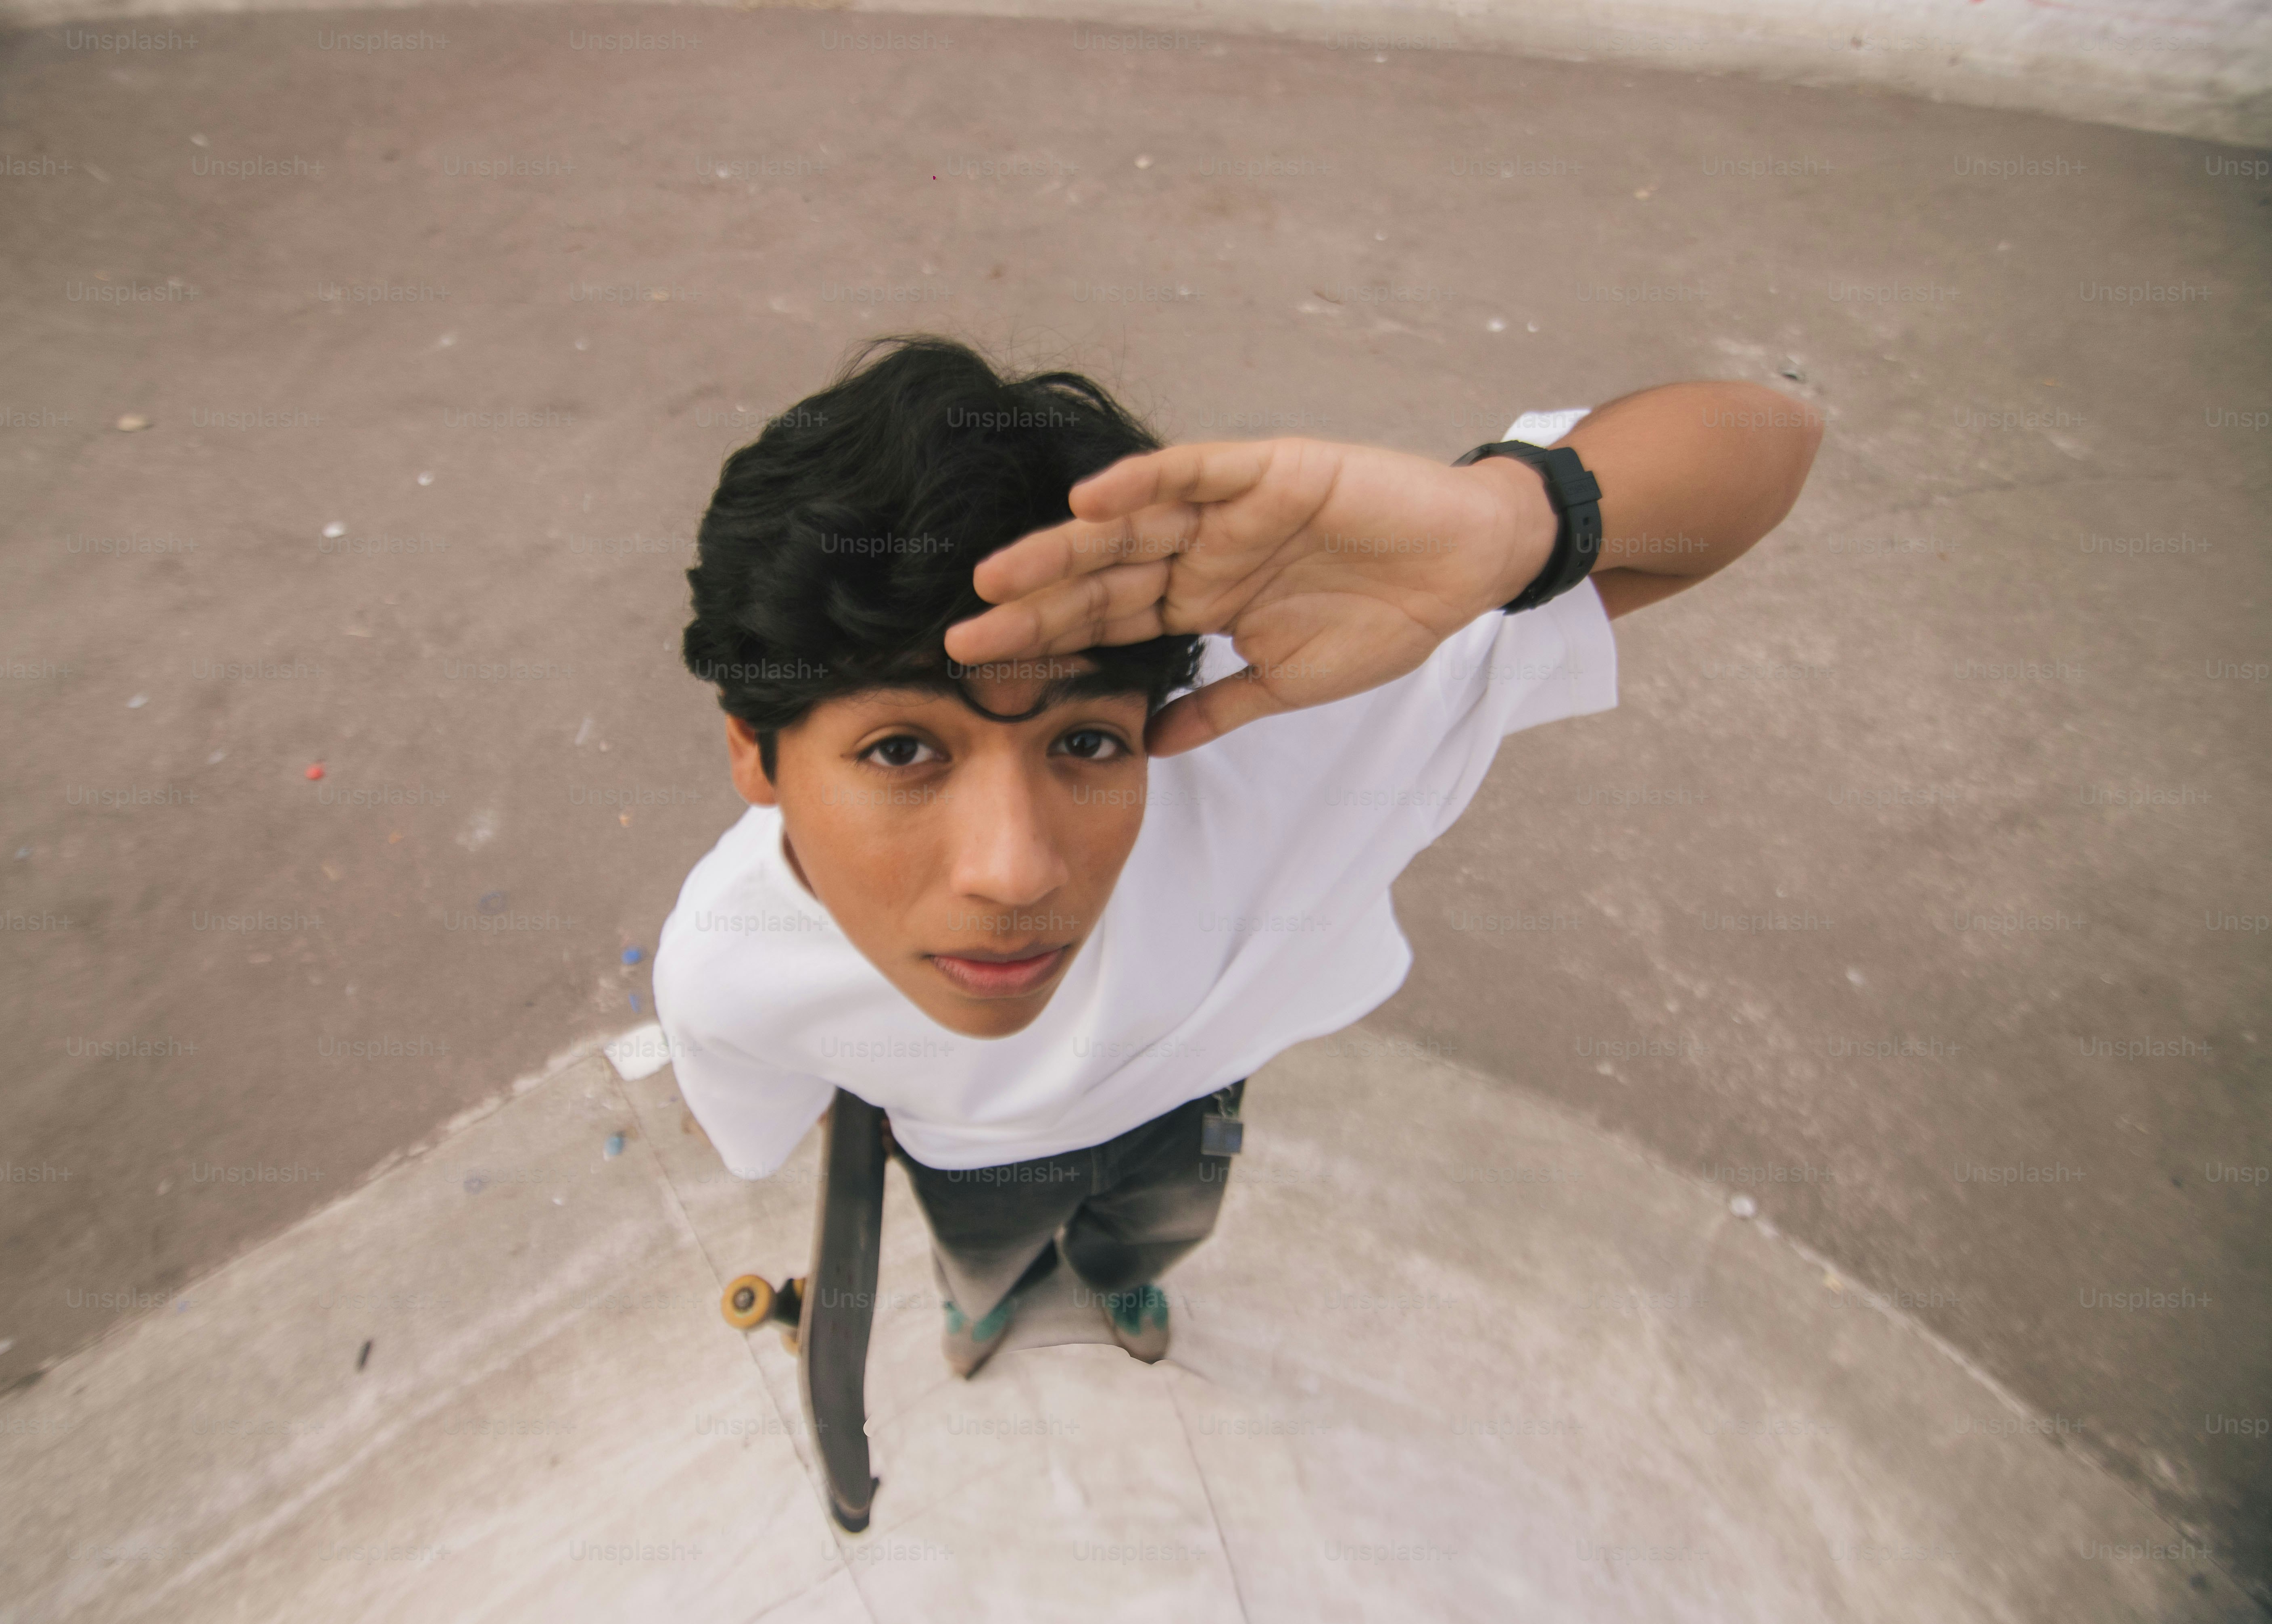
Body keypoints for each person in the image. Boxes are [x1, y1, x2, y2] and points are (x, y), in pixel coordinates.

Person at [655, 335, 1821, 1376]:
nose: (1015, 874)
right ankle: (984, 1301)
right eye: (903, 751)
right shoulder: (725, 967)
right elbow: (782, 1115)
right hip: (970, 1157)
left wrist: (1510, 522)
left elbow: (1772, 440)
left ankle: (1120, 1282)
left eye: (1087, 741)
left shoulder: (1278, 730)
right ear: (756, 750)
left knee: (1157, 1226)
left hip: (1195, 1103)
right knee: (982, 1253)